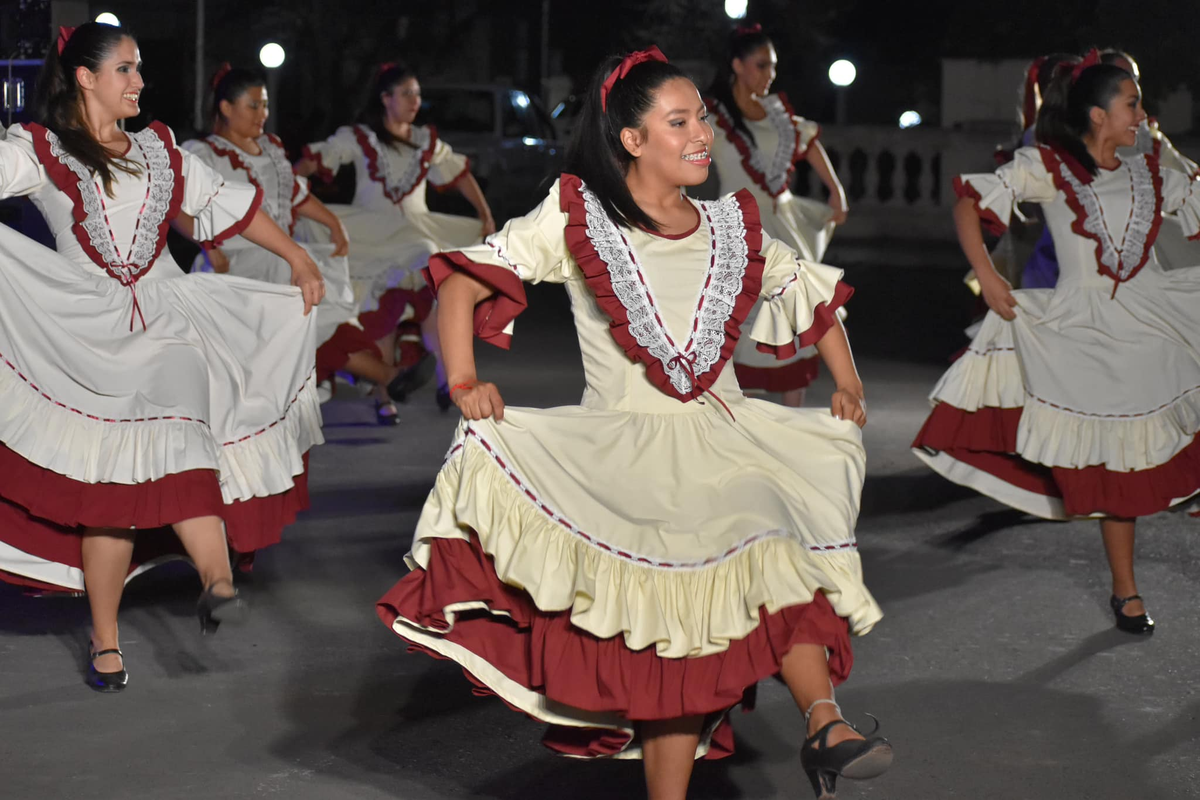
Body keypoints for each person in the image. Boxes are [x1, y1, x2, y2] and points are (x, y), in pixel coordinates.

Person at [375, 47, 891, 800]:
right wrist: (464, 380)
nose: (701, 135)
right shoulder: (579, 217)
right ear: (632, 139)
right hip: (623, 455)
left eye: (702, 120)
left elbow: (811, 295)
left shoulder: (731, 224)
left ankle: (825, 722)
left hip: (729, 441)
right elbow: (464, 276)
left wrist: (847, 381)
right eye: (678, 122)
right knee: (671, 646)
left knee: (778, 549)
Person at [0, 23, 326, 691]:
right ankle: (107, 642)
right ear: (86, 78)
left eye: (139, 68)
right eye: (125, 69)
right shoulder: (39, 149)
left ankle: (218, 582)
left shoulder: (162, 151)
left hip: (168, 315)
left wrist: (296, 257)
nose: (139, 82)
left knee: (184, 428)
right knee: (110, 490)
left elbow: (227, 208)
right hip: (84, 332)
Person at [913, 51, 1200, 635]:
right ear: (1097, 115)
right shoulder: (1047, 167)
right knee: (1113, 462)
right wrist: (989, 277)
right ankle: (1126, 592)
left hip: (1151, 323)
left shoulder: (1151, 173)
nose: (1142, 114)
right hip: (1082, 331)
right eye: (1132, 103)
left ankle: (1127, 590)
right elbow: (970, 203)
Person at [181, 64, 426, 423]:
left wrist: (333, 223)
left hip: (280, 257)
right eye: (253, 105)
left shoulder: (270, 149)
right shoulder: (203, 153)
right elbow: (179, 205)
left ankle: (385, 379)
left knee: (313, 319)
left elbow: (295, 195)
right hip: (236, 264)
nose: (262, 114)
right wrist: (208, 244)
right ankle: (386, 378)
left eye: (264, 105)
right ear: (225, 108)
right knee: (302, 317)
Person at [295, 62, 495, 415]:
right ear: (385, 99)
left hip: (415, 233)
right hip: (373, 235)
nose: (414, 100)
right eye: (406, 93)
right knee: (380, 309)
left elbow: (461, 175)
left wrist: (485, 215)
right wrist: (291, 188)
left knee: (434, 284)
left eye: (417, 93)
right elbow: (317, 160)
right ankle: (385, 393)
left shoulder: (425, 142)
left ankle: (446, 374)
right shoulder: (360, 139)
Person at [705, 24, 848, 407]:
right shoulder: (713, 119)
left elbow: (810, 142)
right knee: (744, 317)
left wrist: (836, 191)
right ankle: (745, 423)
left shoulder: (779, 117)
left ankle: (791, 422)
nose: (770, 74)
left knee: (792, 310)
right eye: (761, 65)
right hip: (738, 227)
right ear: (737, 65)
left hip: (784, 226)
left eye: (773, 67)